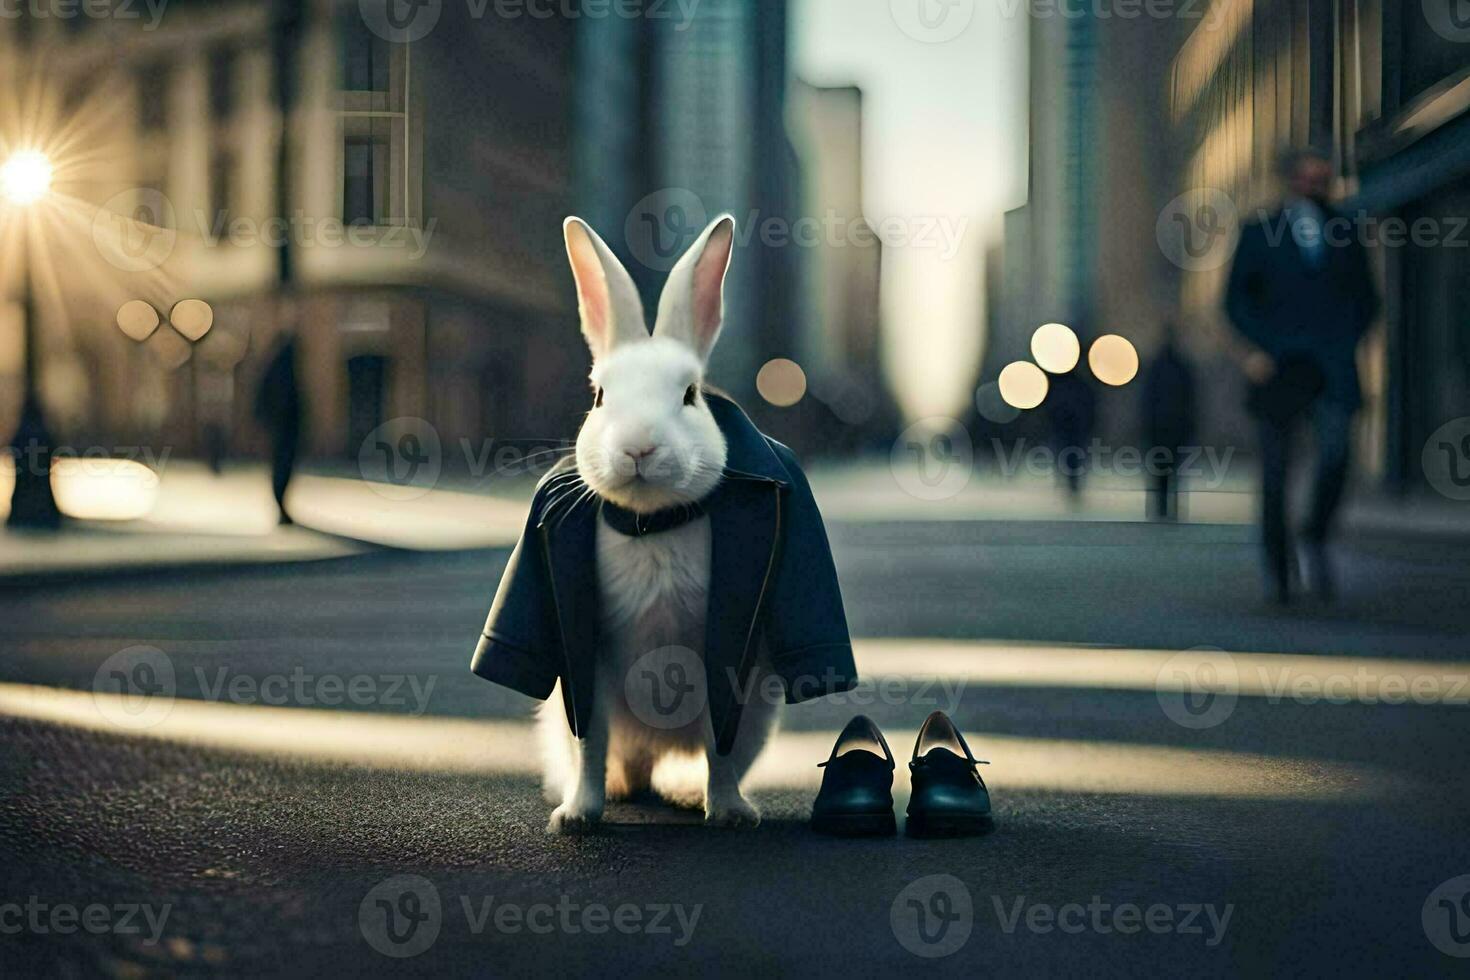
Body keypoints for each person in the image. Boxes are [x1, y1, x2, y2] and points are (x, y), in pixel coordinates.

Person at [1224, 148, 1379, 603]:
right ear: (1291, 182)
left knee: (1335, 456)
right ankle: (1278, 565)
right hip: (1278, 369)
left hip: (1332, 367)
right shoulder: (1258, 232)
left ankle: (1314, 535)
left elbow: (1367, 299)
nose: (1317, 186)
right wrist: (1255, 351)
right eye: (1309, 178)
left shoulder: (1346, 232)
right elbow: (1235, 302)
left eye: (1324, 179)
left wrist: (1346, 339)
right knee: (1275, 474)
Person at [1141, 324, 1198, 521]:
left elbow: (1146, 399)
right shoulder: (1182, 367)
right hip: (1175, 426)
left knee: (1159, 470)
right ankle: (1168, 507)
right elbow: (1191, 400)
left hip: (1159, 426)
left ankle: (1160, 506)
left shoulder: (1155, 367)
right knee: (1173, 469)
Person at [254, 335, 303, 525]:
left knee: (282, 467)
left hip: (281, 428)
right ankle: (281, 506)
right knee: (282, 467)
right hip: (283, 428)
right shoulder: (283, 371)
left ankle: (282, 506)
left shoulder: (279, 369)